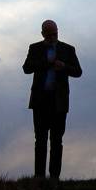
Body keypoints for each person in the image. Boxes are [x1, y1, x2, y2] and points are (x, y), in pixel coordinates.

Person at [22, 19, 82, 180]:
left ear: (58, 31)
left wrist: (64, 67)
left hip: (59, 102)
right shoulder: (34, 48)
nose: (53, 36)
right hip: (40, 101)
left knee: (57, 140)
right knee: (40, 140)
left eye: (55, 33)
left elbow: (78, 71)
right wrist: (45, 63)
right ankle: (39, 177)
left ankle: (54, 177)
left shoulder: (68, 49)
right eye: (49, 34)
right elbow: (26, 68)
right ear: (43, 34)